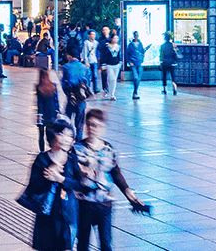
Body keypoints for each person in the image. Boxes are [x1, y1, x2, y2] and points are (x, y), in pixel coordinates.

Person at [73, 110, 148, 251]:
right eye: (88, 124)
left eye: (95, 125)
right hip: (84, 204)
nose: (91, 128)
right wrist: (80, 170)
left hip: (104, 205)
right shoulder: (77, 149)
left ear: (102, 127)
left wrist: (129, 194)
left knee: (106, 245)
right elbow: (70, 173)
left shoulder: (108, 149)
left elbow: (116, 173)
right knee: (82, 244)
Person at [23, 118, 79, 251]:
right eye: (63, 135)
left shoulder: (71, 159)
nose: (67, 139)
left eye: (70, 136)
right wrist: (48, 175)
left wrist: (61, 179)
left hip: (67, 214)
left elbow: (80, 185)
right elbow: (34, 186)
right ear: (54, 135)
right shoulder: (41, 159)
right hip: (47, 215)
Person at [36, 70, 61, 151]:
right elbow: (56, 100)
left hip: (42, 113)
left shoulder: (39, 87)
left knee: (41, 135)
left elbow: (39, 103)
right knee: (50, 133)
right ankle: (51, 148)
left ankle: (42, 151)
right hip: (52, 113)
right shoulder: (54, 86)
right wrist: (58, 111)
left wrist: (39, 115)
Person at [124, 33, 149, 100]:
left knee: (138, 79)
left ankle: (135, 91)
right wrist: (129, 62)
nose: (136, 37)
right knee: (135, 77)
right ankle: (135, 92)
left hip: (139, 63)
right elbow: (127, 54)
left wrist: (142, 59)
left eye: (137, 35)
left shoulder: (140, 44)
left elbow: (142, 52)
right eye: (135, 35)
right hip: (133, 64)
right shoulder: (130, 45)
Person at [99, 36, 123, 101]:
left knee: (114, 79)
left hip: (116, 64)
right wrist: (103, 64)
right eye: (114, 38)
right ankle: (109, 91)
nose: (116, 40)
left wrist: (120, 63)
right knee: (111, 78)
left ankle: (112, 93)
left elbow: (120, 55)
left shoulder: (118, 47)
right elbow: (103, 56)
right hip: (109, 64)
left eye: (117, 38)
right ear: (111, 39)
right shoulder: (106, 47)